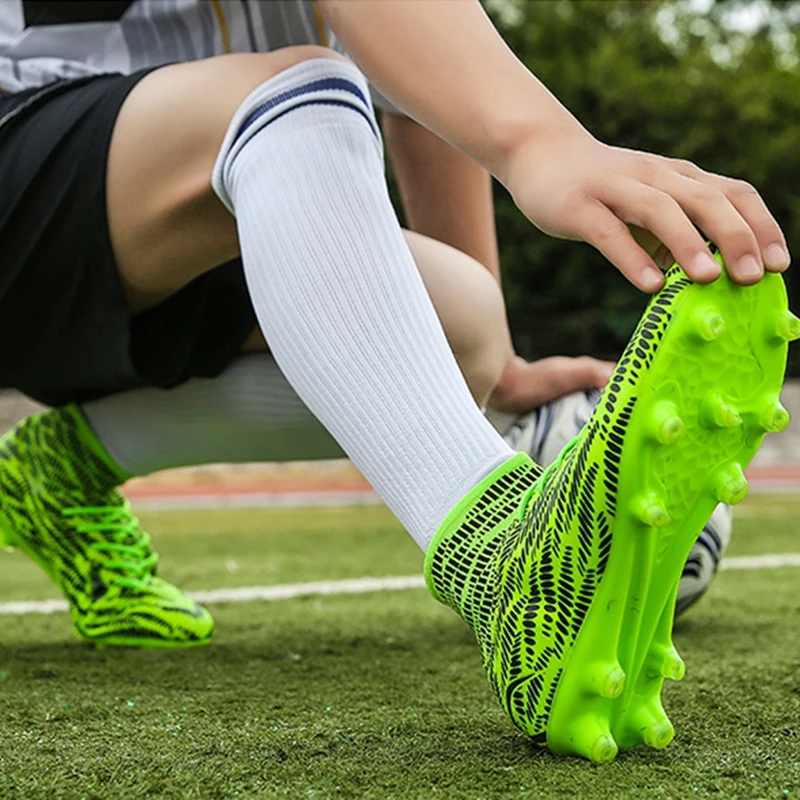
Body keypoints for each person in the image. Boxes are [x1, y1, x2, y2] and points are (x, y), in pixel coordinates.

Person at [0, 0, 793, 761]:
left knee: (461, 332)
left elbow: (417, 93)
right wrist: (536, 141)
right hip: (31, 152)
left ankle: (61, 469)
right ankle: (501, 564)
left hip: (187, 218)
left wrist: (497, 368)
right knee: (301, 95)